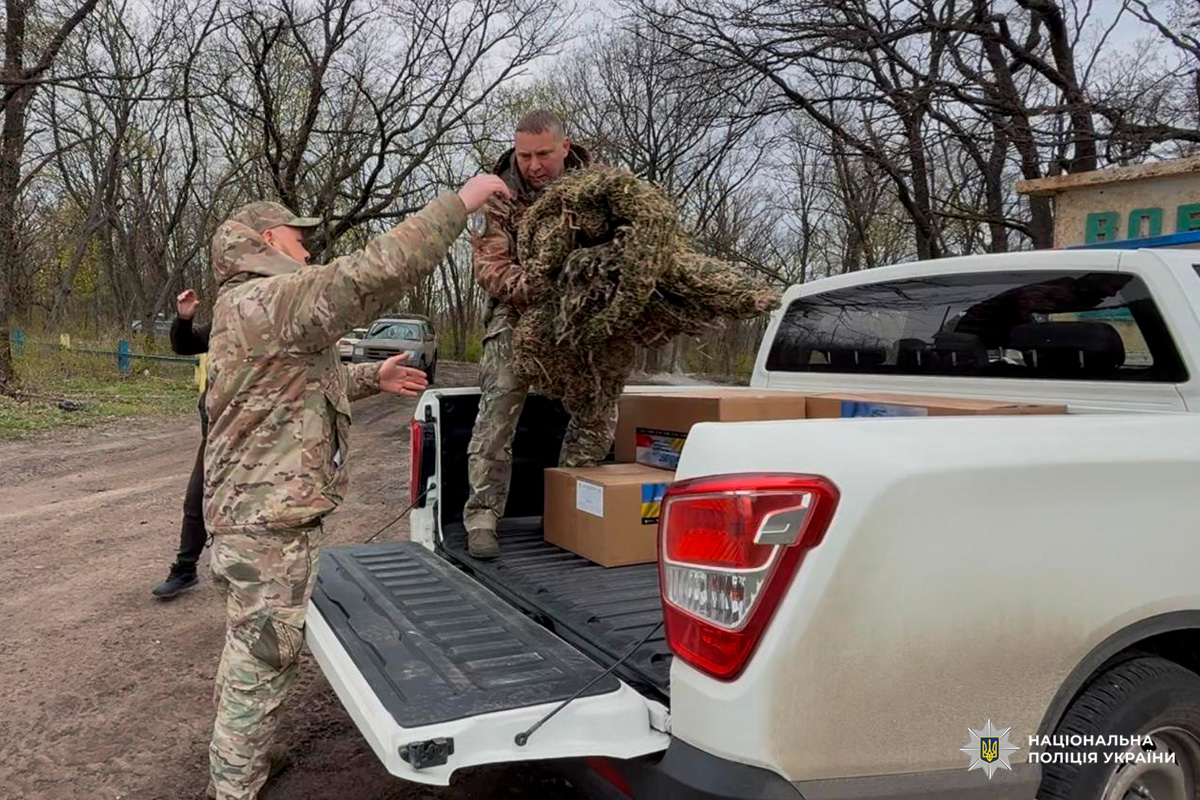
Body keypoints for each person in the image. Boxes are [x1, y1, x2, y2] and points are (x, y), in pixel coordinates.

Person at [203, 175, 509, 800]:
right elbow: (368, 273)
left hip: (255, 514)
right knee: (262, 656)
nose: (309, 250)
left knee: (254, 645)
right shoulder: (266, 299)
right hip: (264, 520)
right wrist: (462, 202)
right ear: (267, 240)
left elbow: (291, 381)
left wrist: (373, 374)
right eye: (300, 238)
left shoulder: (251, 309)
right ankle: (234, 784)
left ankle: (246, 756)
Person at [462, 109, 604, 560]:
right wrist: (540, 289)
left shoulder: (599, 188)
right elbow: (489, 267)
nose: (533, 164)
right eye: (525, 155)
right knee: (500, 397)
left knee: (599, 403)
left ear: (565, 146)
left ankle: (571, 513)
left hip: (583, 311)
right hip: (519, 307)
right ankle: (483, 514)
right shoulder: (500, 193)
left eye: (543, 154)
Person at [150, 288, 211, 598]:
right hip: (219, 431)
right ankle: (185, 569)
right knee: (196, 500)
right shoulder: (227, 325)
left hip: (266, 432)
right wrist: (184, 319)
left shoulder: (280, 323)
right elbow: (184, 345)